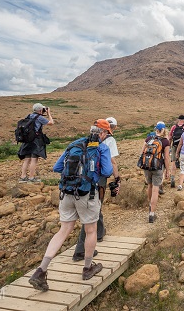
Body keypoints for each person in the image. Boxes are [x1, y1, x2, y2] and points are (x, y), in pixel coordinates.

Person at [29, 122, 113, 291]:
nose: (107, 137)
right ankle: (88, 268)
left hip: (66, 193)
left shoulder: (73, 144)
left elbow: (57, 167)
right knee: (90, 230)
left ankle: (41, 270)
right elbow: (107, 171)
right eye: (107, 134)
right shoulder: (101, 148)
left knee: (63, 231)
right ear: (102, 133)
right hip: (87, 195)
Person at [72, 118, 119, 261]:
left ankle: (99, 233)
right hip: (98, 182)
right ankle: (80, 250)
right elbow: (110, 165)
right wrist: (117, 178)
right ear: (104, 131)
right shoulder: (106, 143)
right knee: (92, 213)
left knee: (93, 211)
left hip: (79, 181)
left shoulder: (80, 142)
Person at [142, 122, 171, 223]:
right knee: (155, 189)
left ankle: (150, 206)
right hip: (158, 167)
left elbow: (142, 152)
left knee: (149, 186)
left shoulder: (149, 138)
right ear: (164, 130)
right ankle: (152, 214)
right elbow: (167, 158)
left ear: (156, 130)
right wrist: (167, 170)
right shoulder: (165, 141)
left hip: (147, 165)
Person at [18, 103, 54, 182]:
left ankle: (23, 177)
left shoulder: (29, 116)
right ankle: (31, 177)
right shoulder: (40, 117)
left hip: (27, 140)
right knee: (34, 159)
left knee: (27, 159)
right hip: (36, 141)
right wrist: (49, 114)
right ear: (40, 110)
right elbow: (51, 123)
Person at [168, 115, 184, 188]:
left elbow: (170, 137)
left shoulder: (173, 127)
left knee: (173, 162)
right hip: (183, 147)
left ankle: (172, 178)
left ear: (178, 119)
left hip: (174, 146)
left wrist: (169, 146)